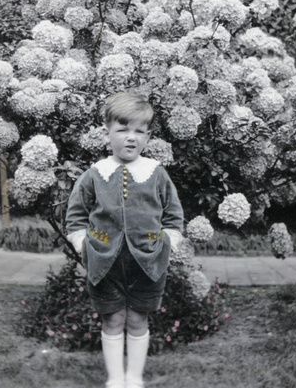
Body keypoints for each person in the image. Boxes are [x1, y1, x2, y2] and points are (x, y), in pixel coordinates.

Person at [66, 91, 184, 388]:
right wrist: (84, 245)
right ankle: (116, 379)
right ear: (107, 134)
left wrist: (167, 245)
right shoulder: (95, 174)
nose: (131, 138)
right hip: (105, 263)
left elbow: (173, 215)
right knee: (112, 320)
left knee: (137, 320)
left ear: (148, 136)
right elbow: (76, 216)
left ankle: (134, 378)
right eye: (122, 130)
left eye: (139, 131)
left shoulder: (156, 174)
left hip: (147, 263)